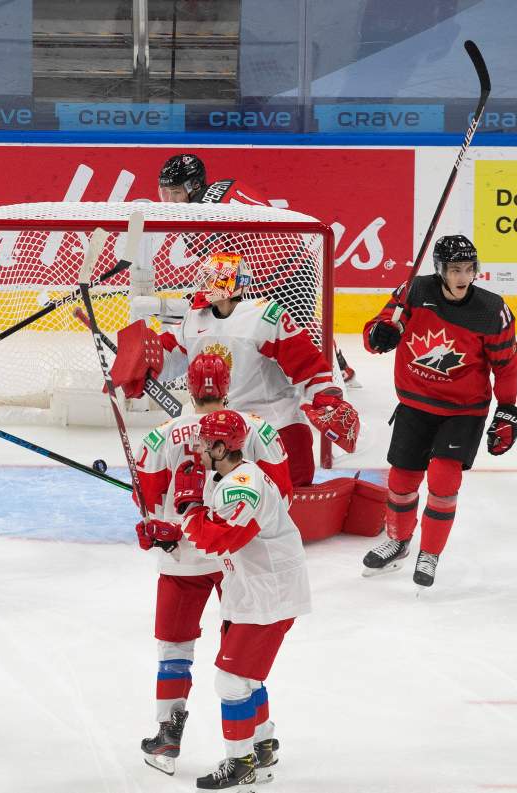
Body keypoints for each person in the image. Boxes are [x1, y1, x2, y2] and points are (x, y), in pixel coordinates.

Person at [135, 353, 291, 778]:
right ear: (228, 385)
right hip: (237, 563)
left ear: (188, 384)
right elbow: (284, 496)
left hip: (182, 561)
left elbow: (147, 501)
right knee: (242, 661)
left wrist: (158, 527)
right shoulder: (258, 428)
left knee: (174, 651)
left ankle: (167, 740)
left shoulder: (161, 435)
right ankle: (261, 742)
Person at [111, 250, 358, 489]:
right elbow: (170, 355)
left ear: (234, 285)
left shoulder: (264, 317)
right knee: (203, 492)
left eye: (213, 278)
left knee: (287, 497)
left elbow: (306, 363)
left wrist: (325, 397)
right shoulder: (194, 318)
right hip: (218, 429)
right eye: (206, 278)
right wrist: (142, 366)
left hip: (271, 426)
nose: (207, 284)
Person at [360, 234, 517, 588]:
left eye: (468, 269)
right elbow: (378, 328)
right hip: (416, 403)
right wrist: (380, 335)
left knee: (444, 480)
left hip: (464, 410)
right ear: (439, 270)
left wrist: (507, 410)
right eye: (454, 269)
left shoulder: (491, 311)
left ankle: (430, 553)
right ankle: (399, 542)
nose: (463, 277)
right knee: (402, 480)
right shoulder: (414, 292)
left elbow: (507, 366)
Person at [167, 410, 311, 790]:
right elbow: (214, 531)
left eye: (203, 442)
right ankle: (262, 747)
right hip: (253, 589)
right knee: (246, 678)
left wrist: (187, 508)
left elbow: (219, 539)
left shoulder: (243, 485)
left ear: (220, 447)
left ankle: (240, 762)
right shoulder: (226, 477)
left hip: (269, 594)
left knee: (230, 682)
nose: (196, 448)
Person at [157, 152, 358, 383]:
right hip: (299, 262)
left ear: (193, 185)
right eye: (166, 193)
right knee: (301, 324)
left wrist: (203, 297)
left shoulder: (197, 213)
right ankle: (339, 368)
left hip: (270, 277)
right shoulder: (228, 184)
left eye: (176, 193)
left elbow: (221, 263)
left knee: (284, 332)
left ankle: (326, 382)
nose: (170, 201)